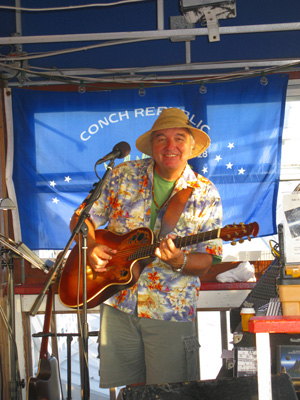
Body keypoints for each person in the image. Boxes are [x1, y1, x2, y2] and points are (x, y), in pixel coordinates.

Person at [70, 107, 223, 389]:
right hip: (117, 302)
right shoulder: (122, 174)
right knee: (130, 392)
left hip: (170, 310)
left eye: (179, 138)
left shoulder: (205, 193)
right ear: (152, 146)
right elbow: (82, 219)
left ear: (191, 146)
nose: (170, 146)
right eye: (161, 138)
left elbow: (207, 260)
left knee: (171, 393)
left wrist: (179, 261)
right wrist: (90, 245)